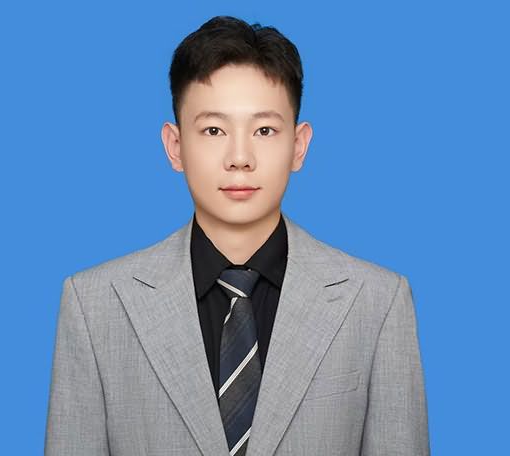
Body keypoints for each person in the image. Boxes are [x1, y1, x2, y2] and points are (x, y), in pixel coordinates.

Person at [44, 15, 430, 456]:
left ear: (299, 145)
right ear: (175, 146)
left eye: (264, 130)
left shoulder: (377, 302)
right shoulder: (94, 306)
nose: (240, 157)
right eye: (214, 130)